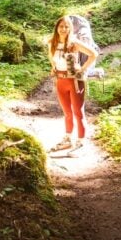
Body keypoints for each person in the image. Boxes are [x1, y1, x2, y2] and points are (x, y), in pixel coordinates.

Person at [48, 15, 98, 153]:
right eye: (61, 26)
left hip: (76, 82)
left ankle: (81, 142)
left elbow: (93, 54)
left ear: (70, 28)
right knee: (67, 113)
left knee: (78, 112)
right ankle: (68, 139)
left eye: (66, 26)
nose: (63, 29)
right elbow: (51, 58)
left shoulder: (74, 43)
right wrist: (54, 67)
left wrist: (82, 69)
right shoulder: (52, 42)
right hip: (60, 81)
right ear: (57, 28)